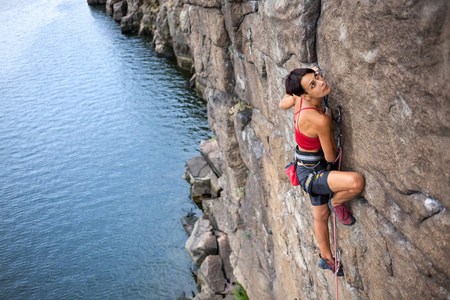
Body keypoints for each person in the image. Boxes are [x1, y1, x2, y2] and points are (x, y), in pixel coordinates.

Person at [280, 68, 365, 276]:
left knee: (321, 216)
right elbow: (330, 157)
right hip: (312, 174)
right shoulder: (319, 119)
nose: (321, 82)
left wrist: (307, 78)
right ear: (306, 95)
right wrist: (328, 126)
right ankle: (336, 202)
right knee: (356, 182)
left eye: (317, 77)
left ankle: (327, 259)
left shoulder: (298, 99)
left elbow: (283, 103)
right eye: (313, 84)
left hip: (303, 167)